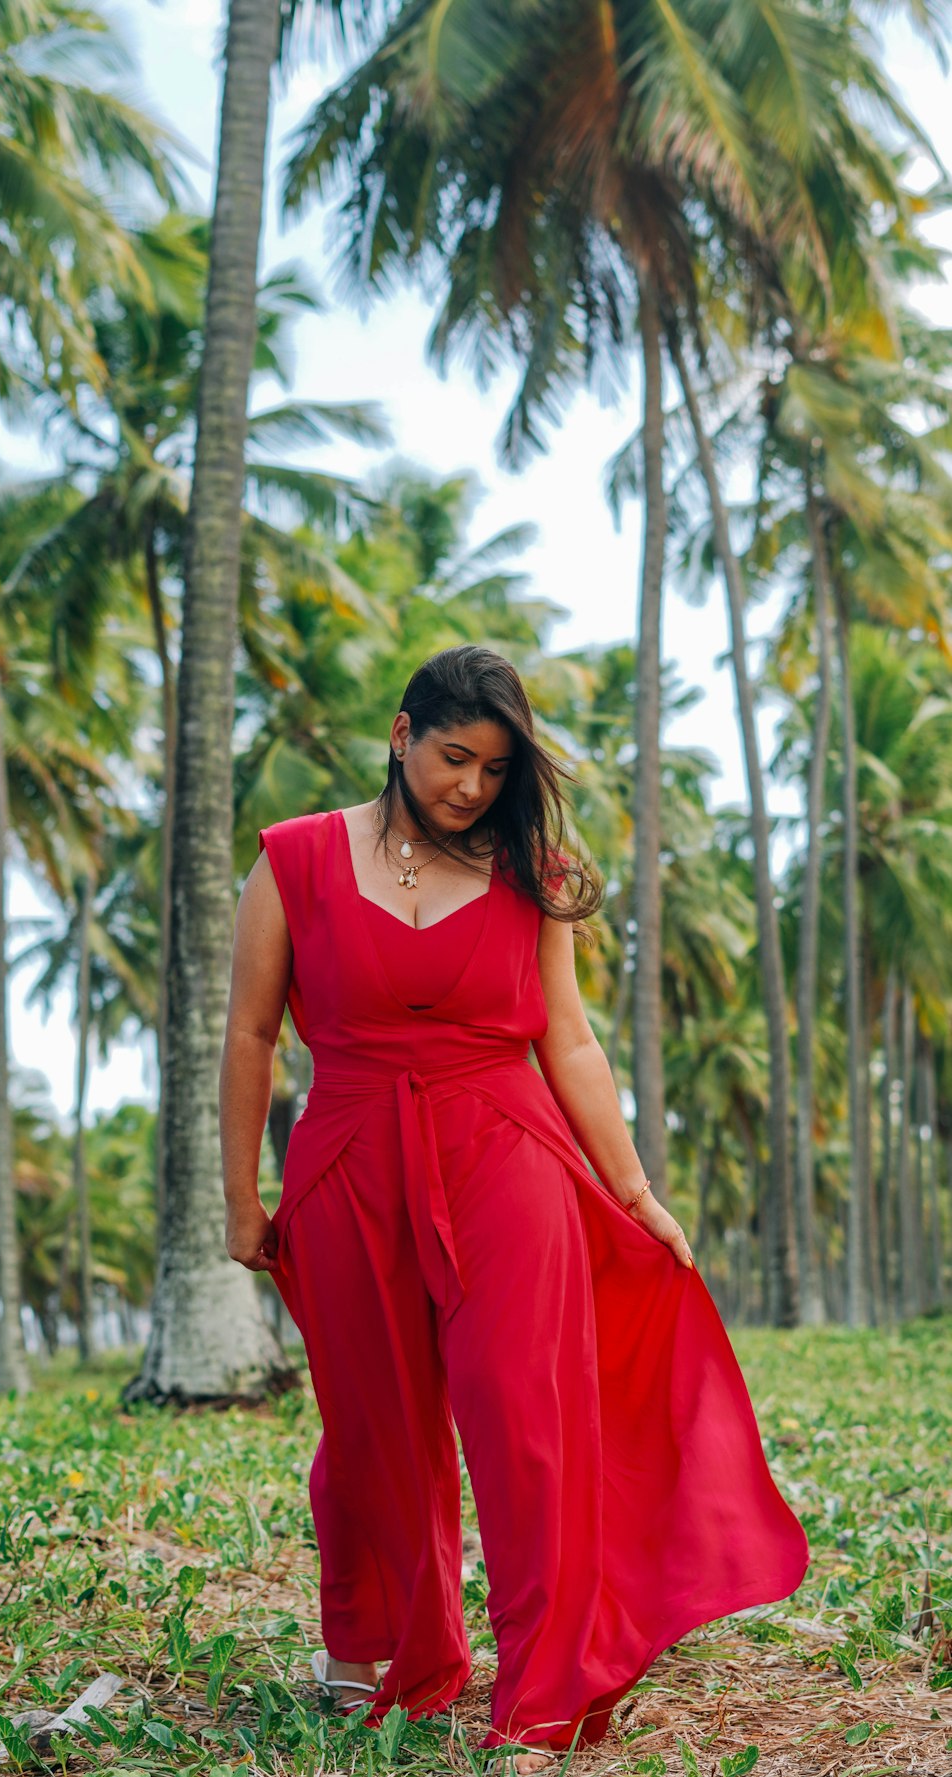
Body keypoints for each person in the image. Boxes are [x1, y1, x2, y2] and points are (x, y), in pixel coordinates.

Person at [219, 644, 810, 1774]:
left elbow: (569, 1038)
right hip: (347, 1161)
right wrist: (242, 1194)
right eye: (453, 758)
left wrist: (632, 1190)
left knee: (523, 1422)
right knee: (375, 1428)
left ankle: (542, 1691)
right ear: (400, 735)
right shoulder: (293, 860)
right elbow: (249, 1032)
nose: (470, 788)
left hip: (506, 1153)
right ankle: (392, 1649)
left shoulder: (526, 868)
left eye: (493, 769)